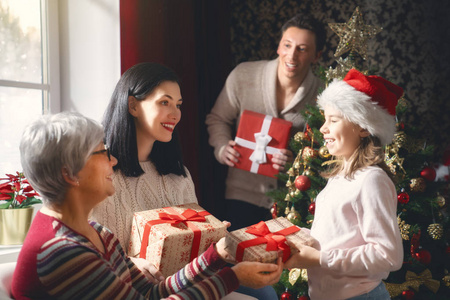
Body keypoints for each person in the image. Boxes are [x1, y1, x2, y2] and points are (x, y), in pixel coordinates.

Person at [11, 111, 283, 299]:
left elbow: (153, 292)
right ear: (70, 174)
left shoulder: (95, 232)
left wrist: (218, 255)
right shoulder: (62, 251)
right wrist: (233, 277)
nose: (113, 161)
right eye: (103, 153)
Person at [284, 69, 404, 300]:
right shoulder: (341, 177)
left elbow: (388, 255)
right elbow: (339, 236)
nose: (323, 129)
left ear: (364, 127)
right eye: (325, 119)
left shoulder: (372, 180)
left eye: (334, 120)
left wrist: (319, 259)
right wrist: (296, 236)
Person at [205, 13, 326, 231]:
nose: (292, 55)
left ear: (316, 56)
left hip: (293, 201)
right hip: (241, 194)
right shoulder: (244, 75)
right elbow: (217, 119)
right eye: (287, 45)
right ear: (278, 47)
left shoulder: (322, 94)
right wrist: (222, 147)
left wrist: (296, 161)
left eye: (302, 49)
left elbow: (326, 150)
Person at [90, 63, 197, 281]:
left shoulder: (180, 175)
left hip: (183, 283)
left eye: (178, 104)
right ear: (133, 106)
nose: (175, 114)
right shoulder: (100, 173)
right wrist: (129, 264)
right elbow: (88, 254)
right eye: (164, 102)